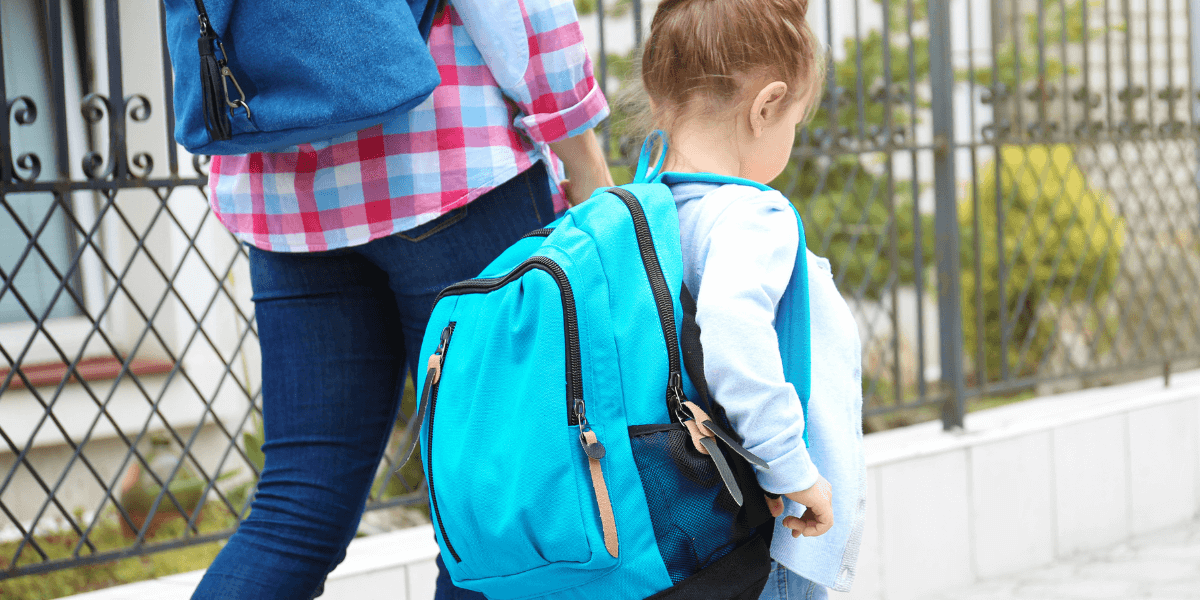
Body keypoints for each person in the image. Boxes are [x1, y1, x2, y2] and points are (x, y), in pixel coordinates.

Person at [190, 0, 612, 598]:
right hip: (446, 164)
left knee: (295, 511)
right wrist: (583, 157)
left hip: (284, 194)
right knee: (491, 509)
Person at [634, 0, 867, 597]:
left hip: (689, 530)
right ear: (766, 107)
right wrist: (792, 471)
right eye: (792, 121)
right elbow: (734, 330)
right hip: (775, 530)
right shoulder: (751, 214)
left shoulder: (642, 215)